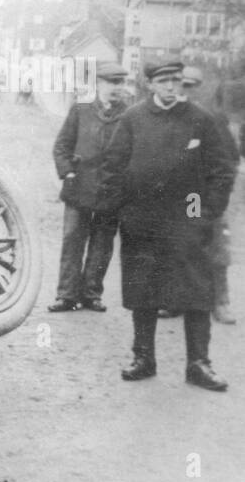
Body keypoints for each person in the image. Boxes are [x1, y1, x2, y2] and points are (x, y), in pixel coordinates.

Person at [97, 59, 237, 391]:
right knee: (143, 287)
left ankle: (198, 364)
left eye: (176, 81)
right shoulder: (133, 118)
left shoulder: (201, 119)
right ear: (151, 85)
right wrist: (122, 210)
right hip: (142, 218)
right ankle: (143, 358)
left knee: (195, 288)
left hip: (188, 215)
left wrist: (205, 212)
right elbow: (113, 166)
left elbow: (221, 170)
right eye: (164, 82)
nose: (171, 87)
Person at [48, 61, 129, 312]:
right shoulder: (80, 110)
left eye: (120, 83)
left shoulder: (129, 115)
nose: (116, 88)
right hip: (79, 187)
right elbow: (61, 146)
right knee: (73, 240)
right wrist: (68, 172)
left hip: (111, 190)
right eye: (111, 82)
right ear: (98, 84)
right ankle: (67, 295)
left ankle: (92, 294)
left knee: (103, 243)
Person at [179, 68, 241, 324]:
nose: (184, 90)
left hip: (202, 195)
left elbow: (229, 161)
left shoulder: (211, 119)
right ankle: (178, 300)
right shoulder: (167, 117)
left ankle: (220, 301)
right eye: (181, 84)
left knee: (214, 244)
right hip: (178, 196)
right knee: (180, 245)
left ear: (198, 88)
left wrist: (215, 200)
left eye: (191, 86)